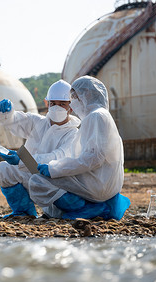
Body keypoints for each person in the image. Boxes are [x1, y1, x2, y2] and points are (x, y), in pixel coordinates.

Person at [34, 75, 130, 220]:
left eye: (74, 97)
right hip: (104, 182)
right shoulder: (99, 116)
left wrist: (54, 169)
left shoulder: (95, 117)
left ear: (87, 95)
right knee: (52, 180)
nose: (72, 104)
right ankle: (87, 208)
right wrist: (57, 167)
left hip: (99, 184)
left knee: (38, 181)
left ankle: (89, 209)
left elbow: (93, 159)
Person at [0, 79, 81, 218]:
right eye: (53, 103)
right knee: (4, 169)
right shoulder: (39, 123)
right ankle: (23, 212)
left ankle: (60, 210)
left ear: (71, 107)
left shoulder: (73, 134)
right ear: (47, 103)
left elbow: (57, 158)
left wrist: (22, 160)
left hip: (55, 181)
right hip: (32, 172)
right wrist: (8, 113)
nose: (56, 107)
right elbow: (16, 121)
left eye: (62, 104)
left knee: (58, 214)